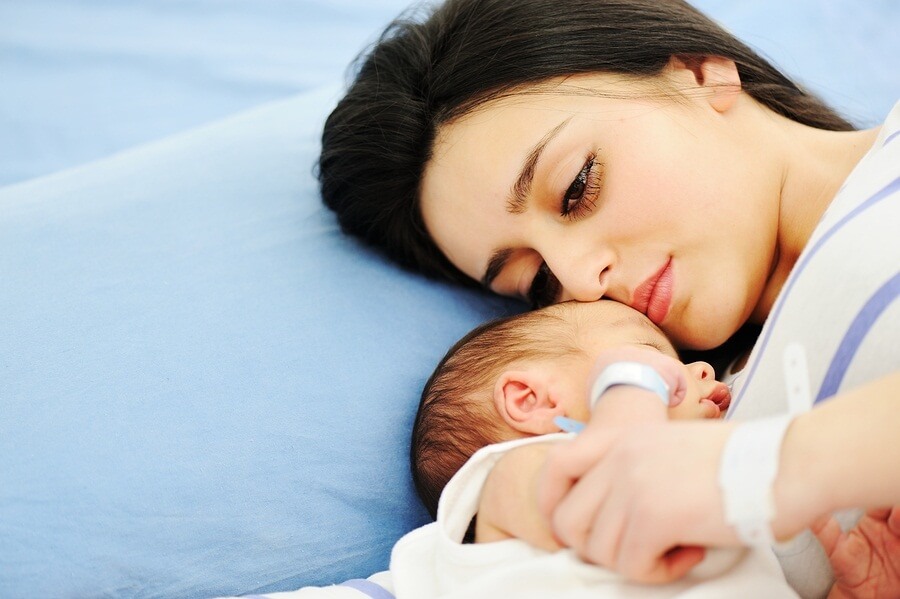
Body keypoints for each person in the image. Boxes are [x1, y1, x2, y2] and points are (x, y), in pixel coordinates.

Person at [318, 0, 899, 595]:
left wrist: (758, 473)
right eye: (539, 283)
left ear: (701, 71)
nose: (582, 280)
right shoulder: (693, 410)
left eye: (577, 189)